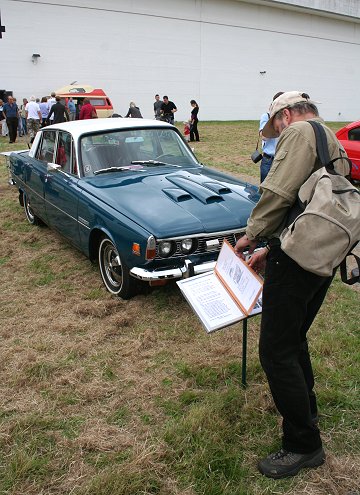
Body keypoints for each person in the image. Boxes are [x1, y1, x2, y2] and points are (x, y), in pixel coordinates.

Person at [234, 91, 350, 480]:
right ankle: (308, 408)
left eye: (274, 126)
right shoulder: (329, 136)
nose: (276, 133)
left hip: (297, 261)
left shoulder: (298, 132)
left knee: (275, 351)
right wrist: (273, 245)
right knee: (294, 337)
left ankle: (303, 443)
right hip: (321, 255)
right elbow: (311, 203)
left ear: (285, 115)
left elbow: (280, 192)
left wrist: (253, 234)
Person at [259, 91, 284, 182]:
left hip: (283, 160)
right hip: (269, 160)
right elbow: (264, 136)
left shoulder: (288, 118)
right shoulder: (267, 116)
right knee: (265, 189)